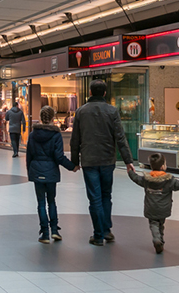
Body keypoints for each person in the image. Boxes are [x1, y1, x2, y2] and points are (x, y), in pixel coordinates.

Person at [70, 79, 134, 246]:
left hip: (89, 160)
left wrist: (75, 161)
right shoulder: (112, 111)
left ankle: (98, 235)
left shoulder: (81, 111)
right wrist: (128, 160)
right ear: (104, 93)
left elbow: (75, 139)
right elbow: (120, 137)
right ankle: (106, 230)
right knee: (106, 195)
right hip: (107, 160)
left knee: (94, 198)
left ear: (90, 92)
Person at [26, 106, 76, 244]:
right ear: (53, 118)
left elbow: (29, 156)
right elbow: (59, 156)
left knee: (41, 203)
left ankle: (44, 233)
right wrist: (72, 167)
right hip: (51, 171)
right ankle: (55, 230)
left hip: (37, 170)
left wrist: (30, 172)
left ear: (41, 117)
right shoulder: (56, 135)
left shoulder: (32, 135)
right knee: (52, 201)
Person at [128, 153, 179, 253]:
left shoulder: (146, 179)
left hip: (150, 207)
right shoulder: (169, 180)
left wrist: (130, 172)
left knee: (153, 223)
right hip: (164, 208)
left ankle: (157, 239)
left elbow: (136, 178)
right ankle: (160, 241)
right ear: (163, 166)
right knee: (161, 224)